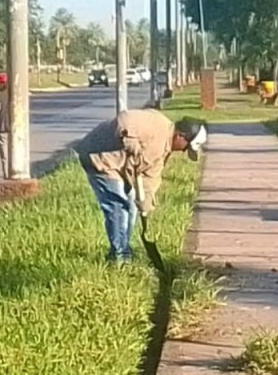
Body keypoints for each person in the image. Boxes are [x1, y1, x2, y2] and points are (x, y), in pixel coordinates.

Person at [75, 109, 208, 264]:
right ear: (180, 136)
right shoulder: (156, 123)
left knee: (132, 207)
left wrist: (146, 199)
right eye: (185, 148)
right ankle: (119, 256)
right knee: (118, 206)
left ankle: (123, 251)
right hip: (100, 157)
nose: (183, 151)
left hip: (120, 168)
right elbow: (125, 118)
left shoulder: (163, 152)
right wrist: (131, 141)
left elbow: (151, 177)